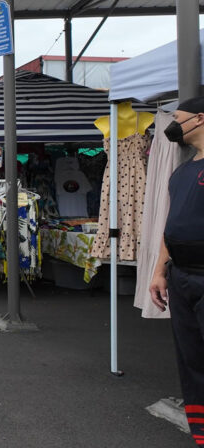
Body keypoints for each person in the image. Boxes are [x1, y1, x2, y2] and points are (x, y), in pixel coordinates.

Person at [149, 95, 204, 443]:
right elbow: (171, 225)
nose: (173, 125)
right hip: (180, 276)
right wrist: (158, 271)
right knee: (191, 358)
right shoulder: (183, 171)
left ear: (199, 119)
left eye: (179, 117)